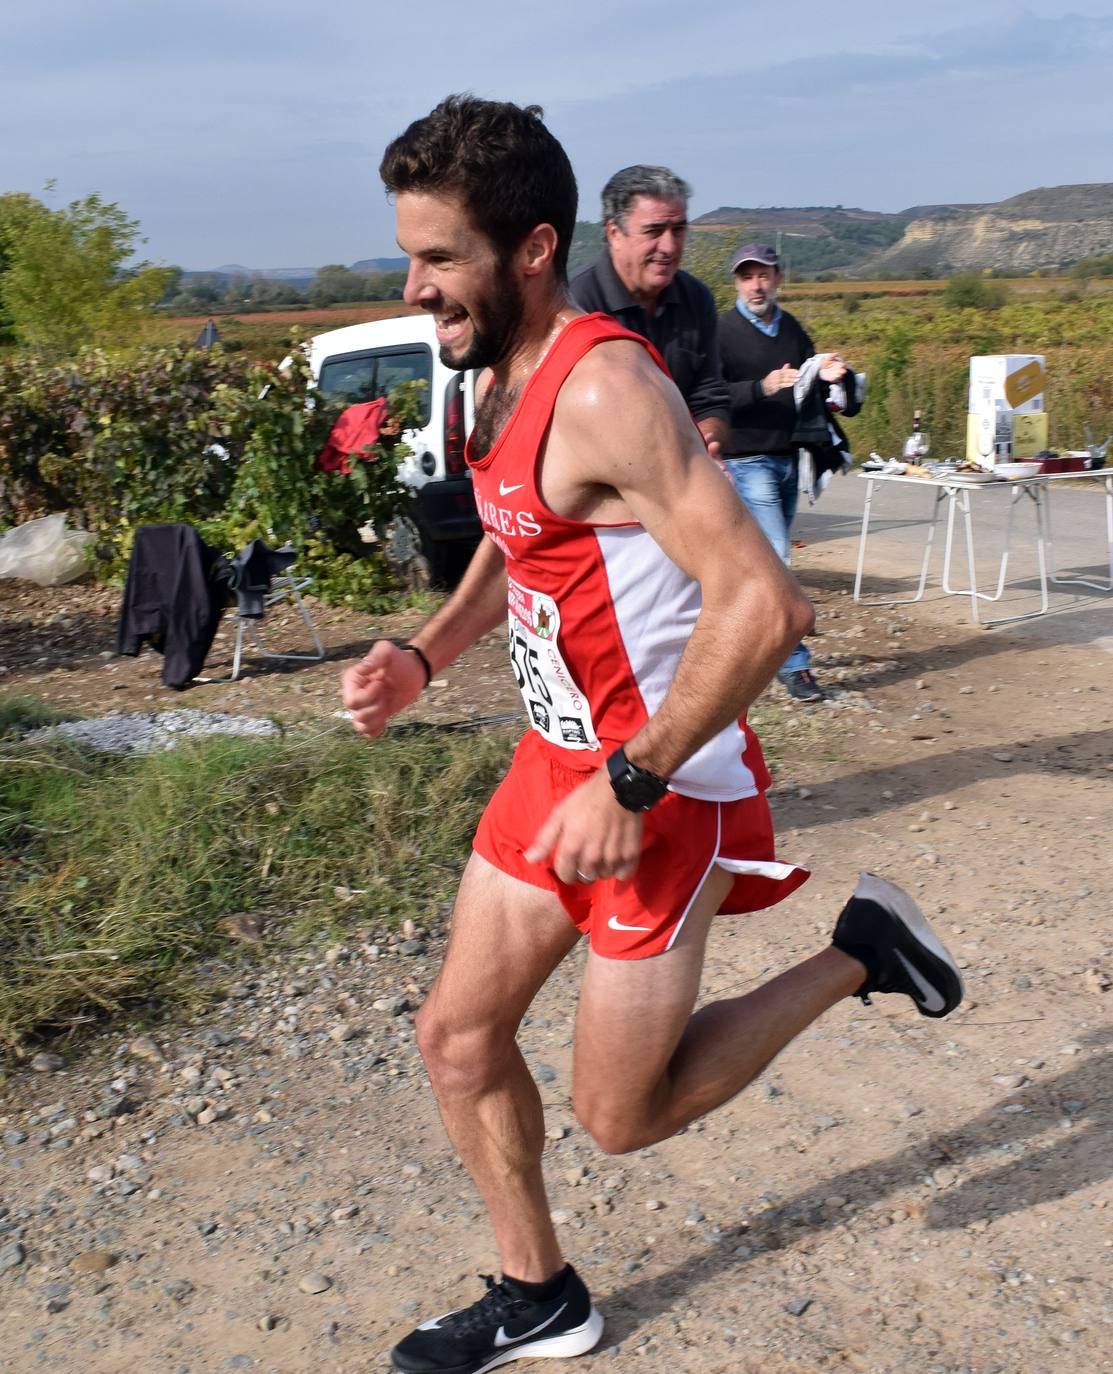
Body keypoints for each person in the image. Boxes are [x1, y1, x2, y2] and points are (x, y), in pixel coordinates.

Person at [342, 96, 963, 1374]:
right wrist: (422, 653)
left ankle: (863, 950)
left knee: (623, 1116)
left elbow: (766, 604)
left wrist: (632, 778)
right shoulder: (500, 376)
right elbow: (520, 550)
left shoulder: (609, 387)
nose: (415, 286)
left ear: (527, 247)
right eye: (409, 255)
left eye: (439, 258)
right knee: (456, 1038)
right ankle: (540, 1295)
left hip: (660, 783)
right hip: (557, 766)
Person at [719, 244, 849, 702]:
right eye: (747, 277)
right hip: (746, 459)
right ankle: (794, 665)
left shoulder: (791, 327)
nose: (756, 285)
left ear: (778, 279)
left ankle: (743, 645)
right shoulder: (723, 330)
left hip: (790, 459)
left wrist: (829, 372)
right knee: (777, 558)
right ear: (737, 281)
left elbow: (811, 376)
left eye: (764, 276)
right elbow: (711, 394)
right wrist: (763, 386)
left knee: (759, 564)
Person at [569, 165, 728, 455]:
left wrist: (708, 441)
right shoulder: (576, 304)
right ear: (614, 233)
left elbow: (710, 397)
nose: (669, 246)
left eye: (678, 230)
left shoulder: (697, 298)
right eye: (654, 231)